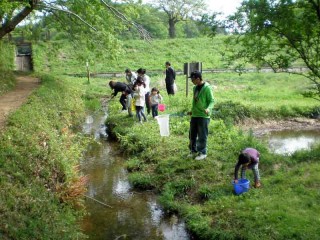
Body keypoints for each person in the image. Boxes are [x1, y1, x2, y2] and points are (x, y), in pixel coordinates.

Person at [188, 71, 214, 161]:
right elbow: (195, 101)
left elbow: (212, 101)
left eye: (193, 79)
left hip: (203, 115)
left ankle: (203, 152)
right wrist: (192, 110)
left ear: (198, 79)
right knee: (192, 134)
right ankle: (193, 150)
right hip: (195, 114)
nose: (192, 81)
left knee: (202, 135)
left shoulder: (207, 88)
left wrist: (208, 109)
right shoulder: (195, 88)